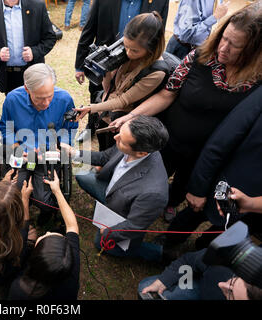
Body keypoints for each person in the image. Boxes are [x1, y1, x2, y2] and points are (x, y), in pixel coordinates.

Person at [110, 3, 261, 219]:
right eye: (223, 38)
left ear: (254, 52)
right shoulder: (199, 57)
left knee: (182, 185)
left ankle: (171, 201)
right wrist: (133, 115)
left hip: (205, 155)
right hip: (170, 138)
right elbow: (167, 94)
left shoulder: (256, 83)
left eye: (235, 45)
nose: (223, 48)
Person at [163, 86, 262, 250]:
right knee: (191, 216)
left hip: (253, 215)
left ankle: (200, 256)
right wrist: (198, 188)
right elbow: (224, 138)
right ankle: (169, 242)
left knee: (222, 240)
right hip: (225, 184)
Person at [71, 115, 169, 261]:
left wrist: (109, 232)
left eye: (122, 140)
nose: (116, 137)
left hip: (122, 214)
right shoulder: (129, 140)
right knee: (82, 176)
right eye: (120, 133)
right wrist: (74, 154)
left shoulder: (153, 194)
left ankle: (159, 253)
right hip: (114, 193)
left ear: (142, 153)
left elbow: (134, 226)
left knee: (100, 243)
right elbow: (104, 157)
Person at [74, 0, 169, 142]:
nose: (129, 53)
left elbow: (123, 100)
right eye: (125, 46)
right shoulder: (124, 54)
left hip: (123, 123)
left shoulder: (156, 72)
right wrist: (106, 71)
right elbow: (108, 89)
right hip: (106, 114)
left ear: (151, 47)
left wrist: (91, 108)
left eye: (135, 50)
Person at [0, 63, 78, 226]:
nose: (47, 103)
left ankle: (46, 212)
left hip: (48, 155)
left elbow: (70, 130)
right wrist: (16, 148)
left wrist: (59, 146)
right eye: (40, 98)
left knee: (44, 202)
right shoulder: (13, 99)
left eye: (50, 96)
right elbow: (6, 128)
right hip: (21, 154)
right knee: (14, 193)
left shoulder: (64, 99)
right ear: (27, 89)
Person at [8, 171, 80, 300]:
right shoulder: (70, 274)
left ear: (34, 257)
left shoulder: (19, 290)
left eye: (44, 237)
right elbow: (72, 226)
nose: (47, 232)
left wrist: (24, 198)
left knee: (30, 233)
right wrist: (57, 191)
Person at [0, 0, 56, 94]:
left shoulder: (38, 6)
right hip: (7, 75)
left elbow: (50, 37)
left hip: (33, 71)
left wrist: (34, 52)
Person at [138, 248, 262, 300]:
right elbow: (188, 261)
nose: (221, 284)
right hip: (200, 288)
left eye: (231, 294)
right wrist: (163, 281)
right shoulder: (228, 257)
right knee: (146, 286)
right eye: (234, 281)